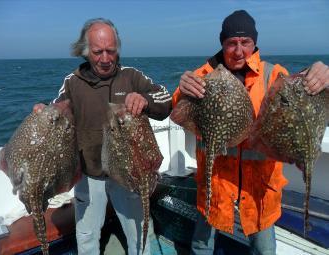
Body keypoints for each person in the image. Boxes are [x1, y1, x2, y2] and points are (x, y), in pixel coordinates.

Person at [172, 10, 329, 255]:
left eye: (245, 42)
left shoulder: (274, 75)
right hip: (215, 183)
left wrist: (321, 72)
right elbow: (178, 109)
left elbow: (304, 92)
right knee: (202, 244)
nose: (238, 51)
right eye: (231, 43)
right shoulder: (202, 75)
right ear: (222, 43)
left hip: (259, 190)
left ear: (254, 43)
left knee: (264, 249)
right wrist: (182, 90)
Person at [51, 18, 171, 255]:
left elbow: (165, 99)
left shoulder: (131, 76)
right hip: (90, 172)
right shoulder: (73, 82)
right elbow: (58, 109)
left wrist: (145, 100)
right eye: (98, 52)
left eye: (111, 51)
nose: (105, 59)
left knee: (139, 233)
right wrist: (47, 112)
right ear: (86, 52)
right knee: (86, 235)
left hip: (128, 172)